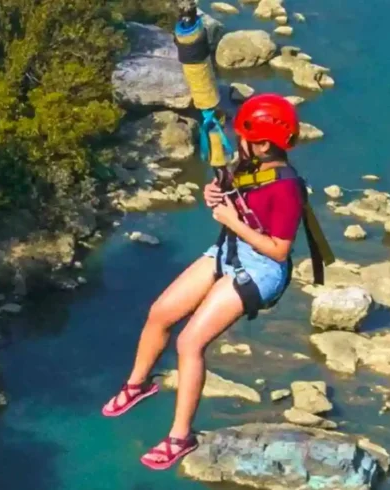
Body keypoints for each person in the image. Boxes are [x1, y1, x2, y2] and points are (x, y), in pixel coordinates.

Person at [100, 94, 307, 470]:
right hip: (230, 249)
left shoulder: (287, 188)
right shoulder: (249, 164)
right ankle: (138, 384)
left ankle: (181, 436)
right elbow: (229, 192)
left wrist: (231, 221)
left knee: (189, 342)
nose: (238, 140)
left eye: (245, 136)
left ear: (262, 143)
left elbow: (279, 250)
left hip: (260, 269)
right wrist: (215, 193)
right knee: (160, 312)